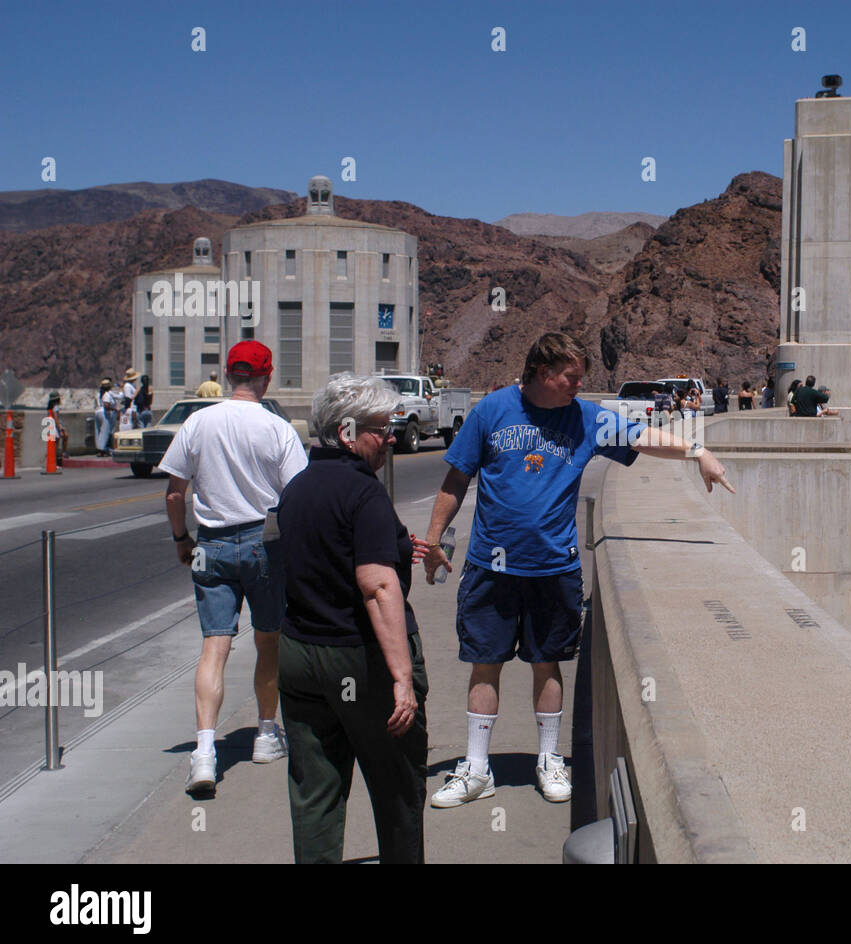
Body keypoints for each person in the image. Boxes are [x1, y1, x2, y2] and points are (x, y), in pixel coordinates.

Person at [422, 332, 734, 809]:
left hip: (554, 567)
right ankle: (477, 767)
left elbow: (642, 436)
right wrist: (435, 538)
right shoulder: (492, 411)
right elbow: (456, 477)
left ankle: (549, 760)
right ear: (543, 373)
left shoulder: (585, 417)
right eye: (572, 377)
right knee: (485, 662)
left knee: (547, 662)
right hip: (491, 566)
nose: (579, 385)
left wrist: (698, 453)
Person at [275, 374, 431, 863]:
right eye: (381, 427)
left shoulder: (297, 488)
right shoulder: (365, 495)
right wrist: (401, 679)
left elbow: (324, 554)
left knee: (314, 792)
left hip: (300, 657)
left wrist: (403, 547)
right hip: (360, 662)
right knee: (397, 791)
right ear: (346, 432)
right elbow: (376, 585)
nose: (390, 436)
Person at [160, 341, 308, 796]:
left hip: (213, 543)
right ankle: (266, 734)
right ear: (267, 377)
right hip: (266, 543)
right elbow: (298, 495)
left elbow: (173, 493)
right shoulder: (277, 428)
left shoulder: (197, 422)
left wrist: (183, 539)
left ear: (228, 375)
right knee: (269, 641)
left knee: (214, 646)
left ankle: (205, 750)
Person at [94, 379, 117, 457]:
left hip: (97, 412)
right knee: (105, 432)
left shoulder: (98, 394)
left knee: (98, 431)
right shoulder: (107, 394)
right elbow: (106, 405)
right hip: (103, 413)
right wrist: (114, 409)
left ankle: (100, 448)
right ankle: (102, 449)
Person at [45, 393, 68, 464]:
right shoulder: (55, 408)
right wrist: (60, 428)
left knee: (65, 437)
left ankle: (62, 454)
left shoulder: (52, 407)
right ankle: (54, 459)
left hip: (54, 425)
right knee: (56, 442)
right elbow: (56, 418)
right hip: (54, 426)